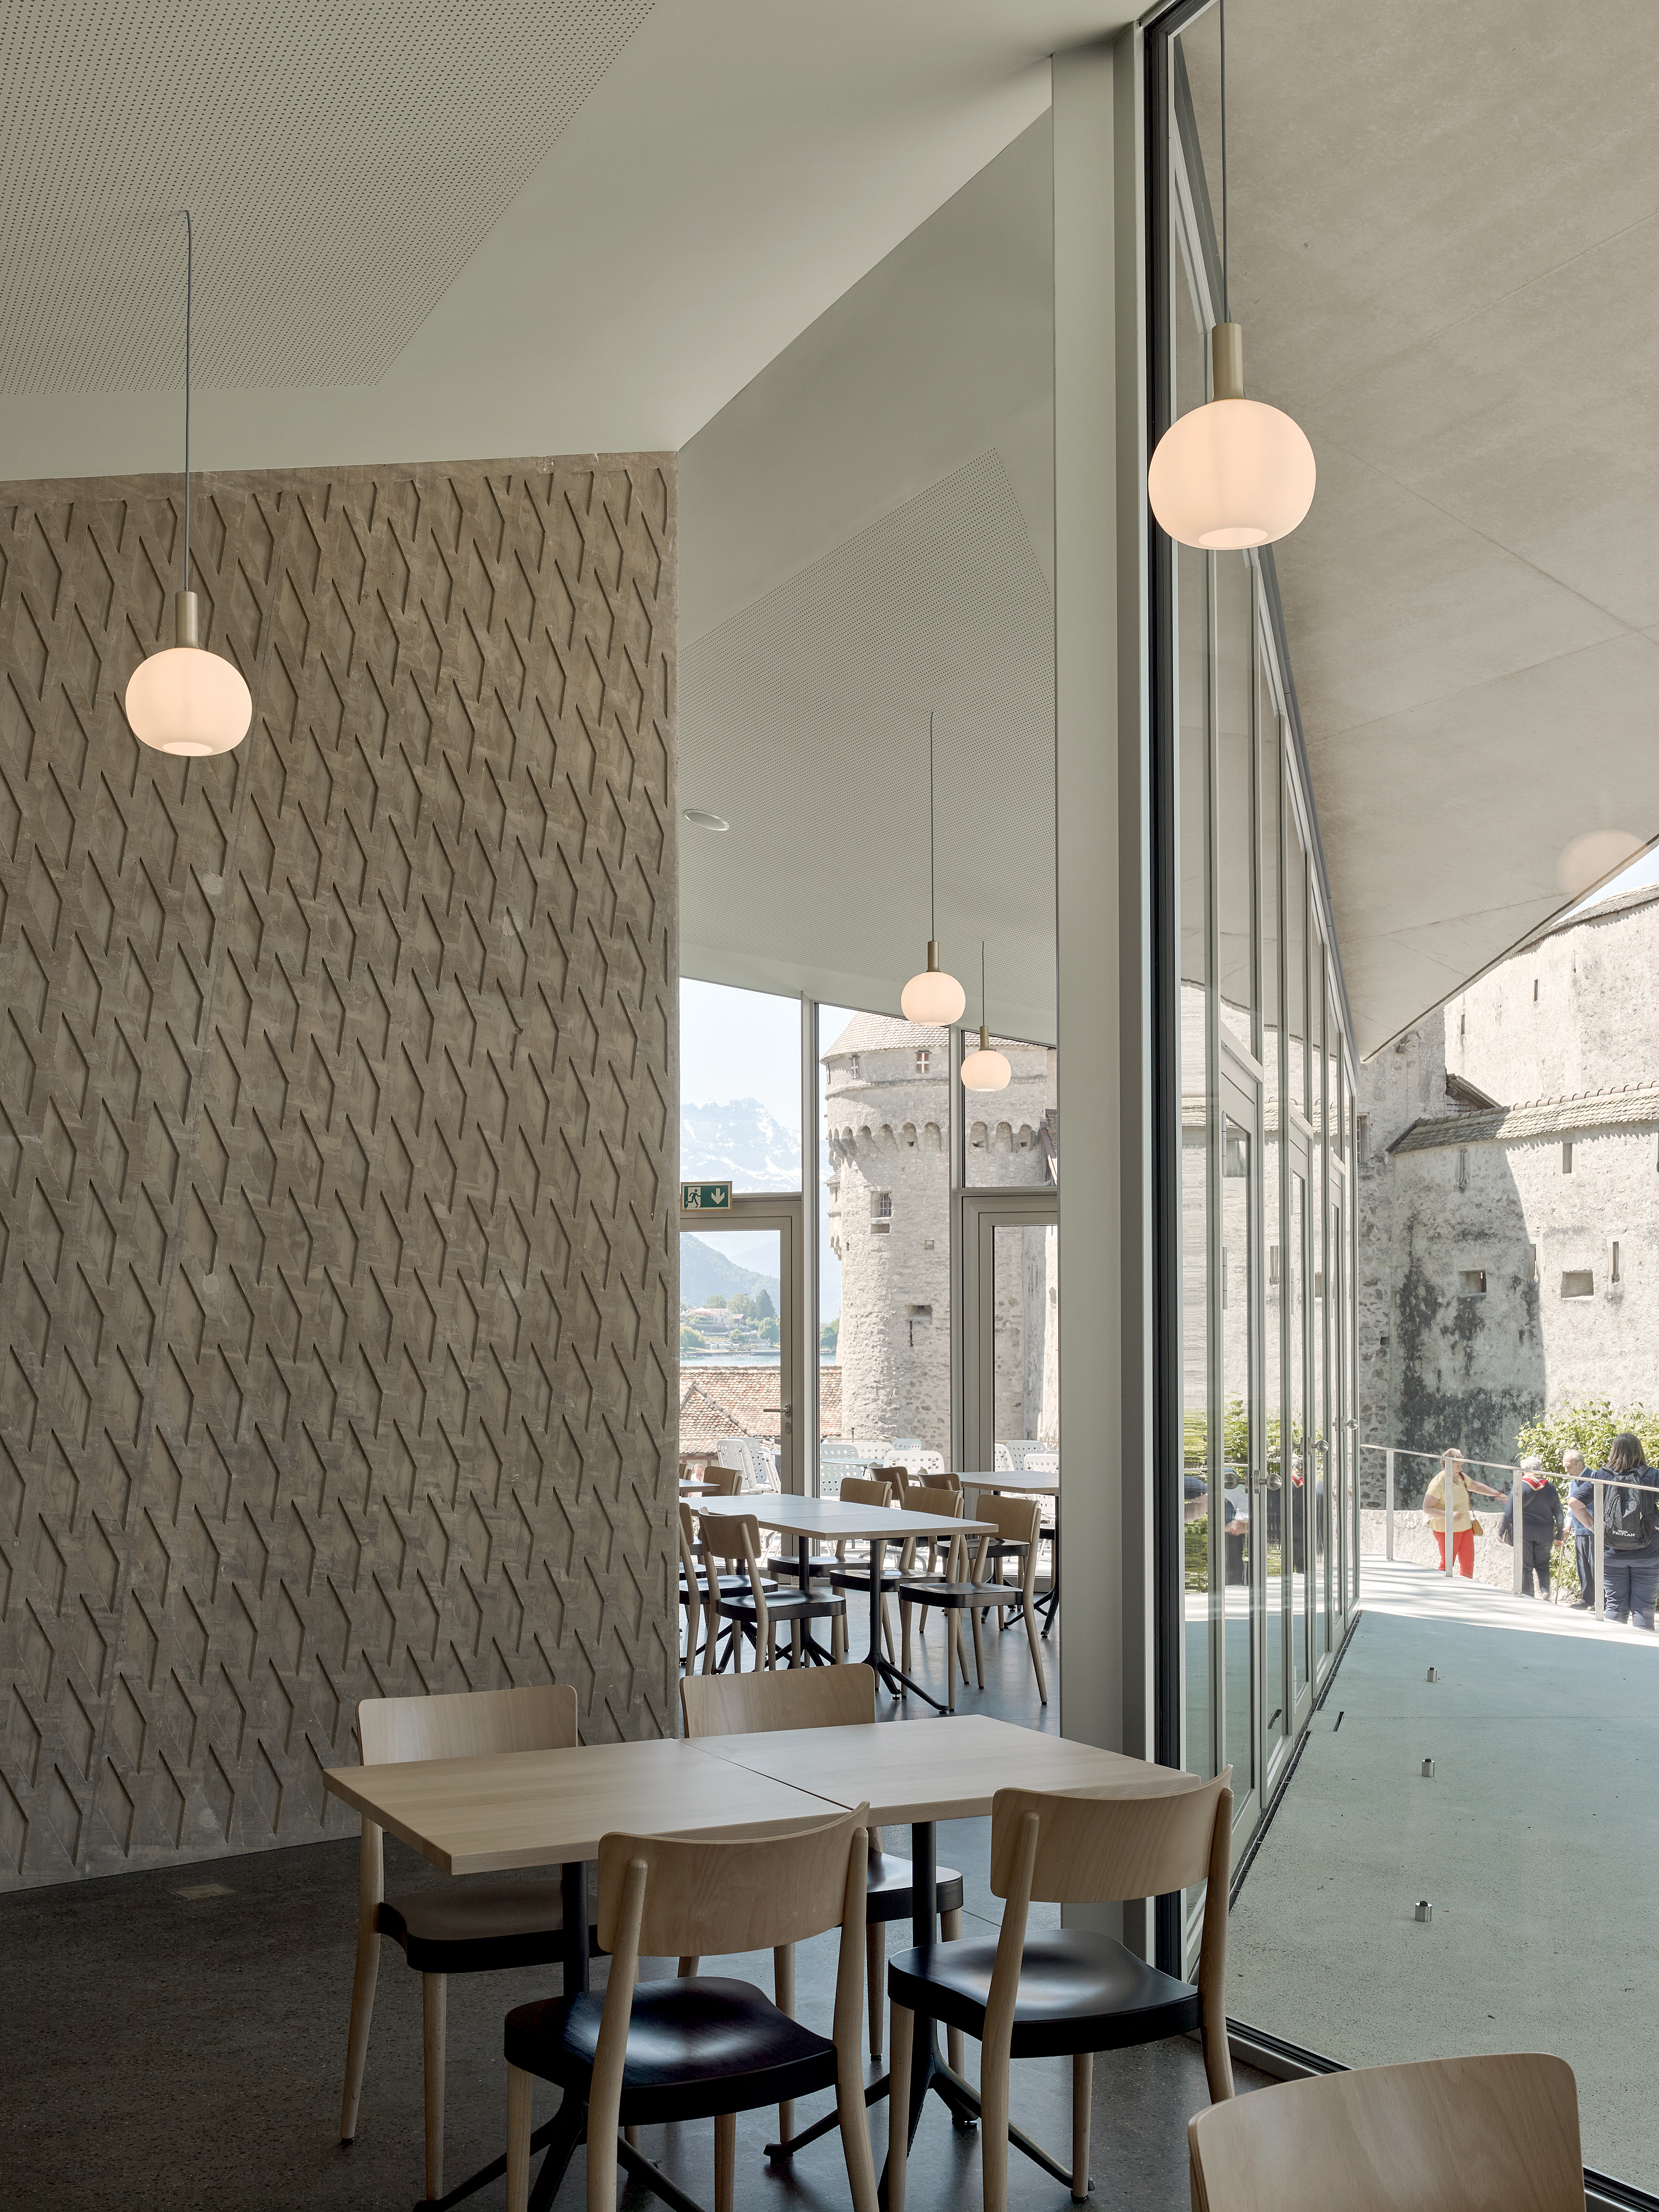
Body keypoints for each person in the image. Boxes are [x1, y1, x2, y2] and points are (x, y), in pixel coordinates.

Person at [1596, 1433, 1659, 1631]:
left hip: (1611, 1552)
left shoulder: (1602, 1475)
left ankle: (1615, 1653)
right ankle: (1642, 1656)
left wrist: (1594, 1527)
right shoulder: (1652, 1475)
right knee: (1644, 1608)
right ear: (1639, 1450)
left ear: (1614, 1450)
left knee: (1614, 1605)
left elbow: (1575, 1503)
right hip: (1648, 1553)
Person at [1421, 1446, 1505, 1577]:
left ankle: (1467, 1593)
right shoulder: (1438, 1482)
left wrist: (1497, 1494)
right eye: (1457, 1466)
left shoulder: (1460, 1477)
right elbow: (1427, 1508)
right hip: (1446, 1529)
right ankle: (1440, 1592)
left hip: (1465, 1528)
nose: (1461, 1469)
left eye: (1461, 1465)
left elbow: (1476, 1486)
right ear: (1448, 1466)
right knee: (1447, 1565)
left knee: (1468, 1565)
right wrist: (1449, 1515)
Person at [1497, 1456, 1564, 1598]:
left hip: (1524, 1533)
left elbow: (1510, 1510)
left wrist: (1502, 1531)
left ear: (1524, 1470)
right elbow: (1559, 1512)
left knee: (1526, 1567)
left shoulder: (1520, 1485)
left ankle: (1528, 1596)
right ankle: (1545, 1591)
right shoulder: (1550, 1487)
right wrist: (1558, 1537)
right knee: (1543, 1565)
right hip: (1545, 1534)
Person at [1563, 1447, 1596, 1610]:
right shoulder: (1573, 1479)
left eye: (1569, 1466)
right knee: (1582, 1565)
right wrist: (1568, 1524)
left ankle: (1600, 1601)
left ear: (1580, 1464)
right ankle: (1587, 1599)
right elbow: (1572, 1503)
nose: (1566, 1469)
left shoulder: (1593, 1477)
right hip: (1579, 1528)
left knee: (1595, 1565)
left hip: (1593, 1527)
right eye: (1565, 1466)